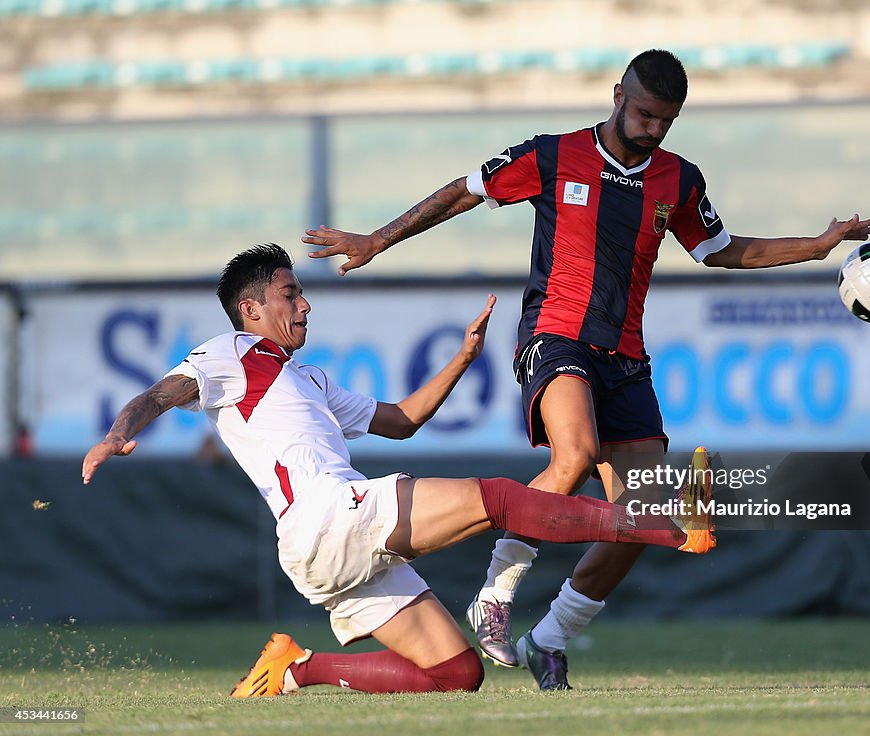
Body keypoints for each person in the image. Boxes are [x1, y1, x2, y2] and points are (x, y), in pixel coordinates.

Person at [302, 49, 870, 690]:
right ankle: (495, 592)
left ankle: (549, 639)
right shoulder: (553, 156)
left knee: (645, 510)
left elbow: (720, 248)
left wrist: (818, 247)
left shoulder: (680, 181)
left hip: (626, 358)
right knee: (572, 455)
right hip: (557, 338)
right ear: (617, 95)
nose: (653, 129)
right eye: (644, 113)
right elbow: (465, 190)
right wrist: (377, 239)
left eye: (667, 120)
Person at [81, 243, 711, 697]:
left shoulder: (308, 378)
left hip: (323, 546)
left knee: (458, 674)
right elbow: (160, 394)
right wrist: (117, 434)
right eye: (290, 291)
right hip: (328, 518)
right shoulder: (229, 354)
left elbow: (402, 419)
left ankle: (297, 668)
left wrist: (463, 358)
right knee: (497, 498)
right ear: (250, 310)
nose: (304, 304)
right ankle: (671, 529)